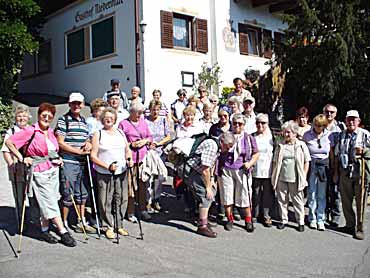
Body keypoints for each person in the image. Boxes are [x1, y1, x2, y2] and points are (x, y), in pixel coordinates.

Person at [6, 103, 76, 247]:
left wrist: (58, 158)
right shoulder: (31, 130)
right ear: (38, 116)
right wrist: (21, 157)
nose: (46, 118)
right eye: (44, 115)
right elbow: (9, 142)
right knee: (49, 200)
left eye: (49, 116)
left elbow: (52, 150)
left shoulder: (50, 132)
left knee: (47, 200)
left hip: (53, 170)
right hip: (39, 171)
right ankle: (63, 231)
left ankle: (44, 230)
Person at [90, 107, 133, 239]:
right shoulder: (98, 134)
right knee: (106, 200)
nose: (109, 119)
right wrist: (107, 166)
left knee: (121, 198)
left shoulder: (120, 132)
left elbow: (127, 149)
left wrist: (129, 159)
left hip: (121, 171)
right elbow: (93, 156)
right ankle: (108, 226)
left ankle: (119, 225)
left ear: (115, 119)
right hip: (105, 172)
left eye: (111, 117)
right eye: (106, 117)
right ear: (102, 119)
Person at [56, 92, 96, 234]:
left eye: (79, 103)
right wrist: (77, 152)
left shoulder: (84, 121)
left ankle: (81, 220)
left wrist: (88, 144)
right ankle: (64, 222)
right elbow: (60, 143)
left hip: (82, 163)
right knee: (67, 193)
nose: (76, 105)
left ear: (83, 104)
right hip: (69, 161)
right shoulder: (63, 120)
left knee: (82, 193)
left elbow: (87, 139)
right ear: (69, 104)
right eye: (74, 103)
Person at [184, 131, 236, 237]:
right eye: (229, 146)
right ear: (222, 142)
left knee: (211, 192)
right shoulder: (212, 146)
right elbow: (205, 169)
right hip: (191, 170)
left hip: (196, 170)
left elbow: (211, 165)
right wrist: (207, 187)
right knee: (206, 196)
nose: (229, 149)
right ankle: (202, 226)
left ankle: (203, 219)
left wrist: (211, 180)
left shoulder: (217, 146)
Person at [218, 113, 260, 232]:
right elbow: (219, 150)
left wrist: (250, 163)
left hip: (242, 170)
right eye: (235, 123)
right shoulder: (225, 135)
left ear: (244, 125)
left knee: (245, 196)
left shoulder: (248, 138)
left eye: (240, 124)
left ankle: (248, 220)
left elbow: (256, 153)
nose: (237, 126)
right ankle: (229, 219)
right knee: (227, 195)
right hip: (226, 169)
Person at [333, 110, 370, 240]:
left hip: (360, 172)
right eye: (349, 119)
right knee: (346, 201)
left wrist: (365, 151)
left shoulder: (365, 135)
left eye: (354, 119)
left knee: (360, 201)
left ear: (359, 121)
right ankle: (349, 225)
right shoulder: (340, 135)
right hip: (344, 171)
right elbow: (337, 155)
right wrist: (336, 173)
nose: (351, 122)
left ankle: (359, 228)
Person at [271, 120, 311, 232]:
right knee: (282, 199)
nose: (286, 134)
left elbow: (307, 161)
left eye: (288, 132)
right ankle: (284, 220)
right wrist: (274, 176)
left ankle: (300, 222)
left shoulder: (301, 145)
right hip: (282, 177)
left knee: (297, 200)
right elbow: (275, 161)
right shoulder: (281, 145)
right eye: (285, 132)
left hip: (296, 177)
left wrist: (304, 174)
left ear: (294, 133)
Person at [119, 102, 153, 221]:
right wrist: (131, 144)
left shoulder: (143, 122)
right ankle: (130, 212)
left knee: (142, 186)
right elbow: (119, 141)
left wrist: (144, 142)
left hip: (142, 160)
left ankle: (142, 209)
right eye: (137, 112)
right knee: (130, 187)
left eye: (141, 112)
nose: (140, 115)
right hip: (130, 160)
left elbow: (150, 137)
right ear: (131, 112)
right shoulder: (123, 124)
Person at [303, 114, 334, 231]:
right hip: (312, 164)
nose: (317, 127)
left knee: (322, 194)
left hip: (324, 165)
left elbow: (331, 153)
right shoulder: (307, 135)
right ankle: (312, 218)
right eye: (315, 124)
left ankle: (321, 218)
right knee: (312, 193)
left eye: (320, 125)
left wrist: (332, 168)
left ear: (324, 126)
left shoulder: (329, 136)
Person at [1, 104, 31, 222]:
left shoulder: (32, 130)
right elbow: (5, 150)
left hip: (32, 166)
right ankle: (21, 220)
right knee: (19, 195)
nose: (22, 118)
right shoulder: (11, 131)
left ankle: (33, 218)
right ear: (15, 117)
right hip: (16, 167)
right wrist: (10, 164)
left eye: (24, 116)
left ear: (28, 117)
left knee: (32, 194)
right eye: (19, 116)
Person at [145, 100, 171, 212]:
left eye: (157, 110)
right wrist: (148, 143)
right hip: (148, 151)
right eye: (153, 109)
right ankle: (148, 201)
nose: (155, 112)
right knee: (149, 177)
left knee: (159, 178)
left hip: (160, 151)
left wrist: (158, 144)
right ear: (149, 110)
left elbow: (168, 136)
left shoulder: (163, 120)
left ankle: (157, 199)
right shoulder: (145, 121)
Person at [323, 103, 345, 226]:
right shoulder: (320, 125)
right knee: (324, 191)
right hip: (323, 163)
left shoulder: (340, 128)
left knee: (335, 191)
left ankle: (335, 216)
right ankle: (324, 214)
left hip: (336, 163)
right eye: (327, 111)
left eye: (332, 112)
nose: (329, 114)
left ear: (335, 114)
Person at [251, 113, 274, 227]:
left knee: (267, 194)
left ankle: (266, 215)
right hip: (255, 170)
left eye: (263, 123)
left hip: (268, 170)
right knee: (255, 193)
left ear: (267, 124)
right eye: (258, 122)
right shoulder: (252, 136)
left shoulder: (273, 137)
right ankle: (254, 214)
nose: (260, 125)